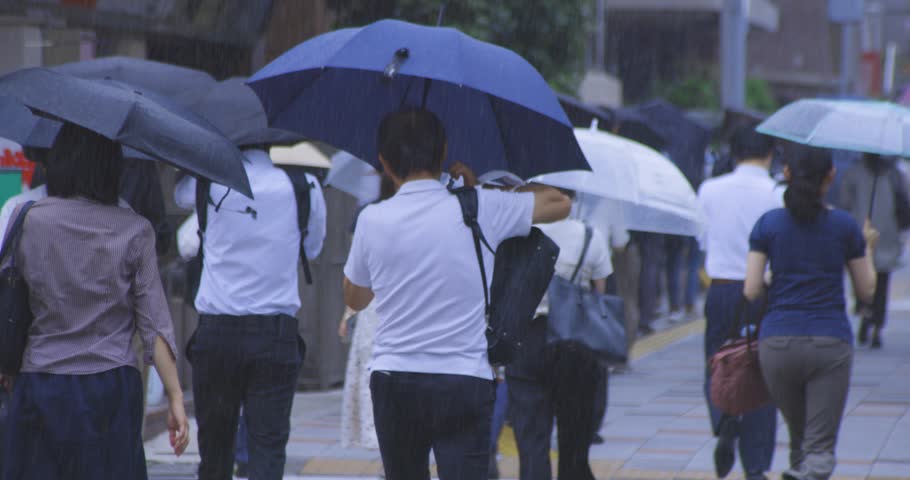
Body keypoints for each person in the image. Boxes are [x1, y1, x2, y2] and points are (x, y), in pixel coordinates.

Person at [342, 108, 570, 480]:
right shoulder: (479, 206)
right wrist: (481, 187)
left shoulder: (372, 219)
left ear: (384, 162)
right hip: (463, 379)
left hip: (396, 379)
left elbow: (355, 299)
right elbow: (559, 202)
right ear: (445, 150)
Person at [0, 123, 189, 480]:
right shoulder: (134, 228)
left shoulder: (28, 219)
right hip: (111, 388)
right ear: (112, 169)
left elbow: (8, 297)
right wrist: (176, 397)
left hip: (42, 382)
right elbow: (155, 325)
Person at [175, 142, 327, 480]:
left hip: (218, 333)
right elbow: (313, 247)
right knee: (268, 448)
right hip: (275, 334)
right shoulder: (305, 186)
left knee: (215, 448)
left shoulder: (206, 181)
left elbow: (179, 196)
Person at [745, 146, 878, 480]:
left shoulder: (768, 224)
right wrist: (869, 247)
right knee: (818, 447)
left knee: (800, 438)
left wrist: (773, 279)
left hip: (777, 343)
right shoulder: (845, 227)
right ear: (830, 176)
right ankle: (809, 472)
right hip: (829, 343)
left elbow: (750, 289)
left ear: (786, 173)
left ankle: (799, 471)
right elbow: (867, 291)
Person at [696, 123, 781, 480]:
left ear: (733, 153)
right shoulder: (779, 192)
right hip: (764, 291)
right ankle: (757, 463)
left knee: (719, 361)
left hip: (722, 288)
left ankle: (725, 420)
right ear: (770, 154)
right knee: (762, 374)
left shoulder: (710, 189)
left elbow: (701, 240)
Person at [507, 210, 613, 480]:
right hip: (575, 339)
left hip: (527, 337)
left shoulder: (517, 233)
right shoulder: (591, 235)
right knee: (575, 438)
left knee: (531, 440)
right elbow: (600, 292)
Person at [338, 174, 397, 452]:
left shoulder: (370, 215)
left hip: (374, 306)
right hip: (378, 306)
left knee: (373, 370)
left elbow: (356, 279)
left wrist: (349, 310)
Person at [839, 153, 907, 348]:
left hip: (860, 232)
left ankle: (865, 311)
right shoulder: (893, 174)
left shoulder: (853, 173)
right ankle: (877, 323)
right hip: (887, 233)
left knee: (860, 276)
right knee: (882, 281)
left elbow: (845, 202)